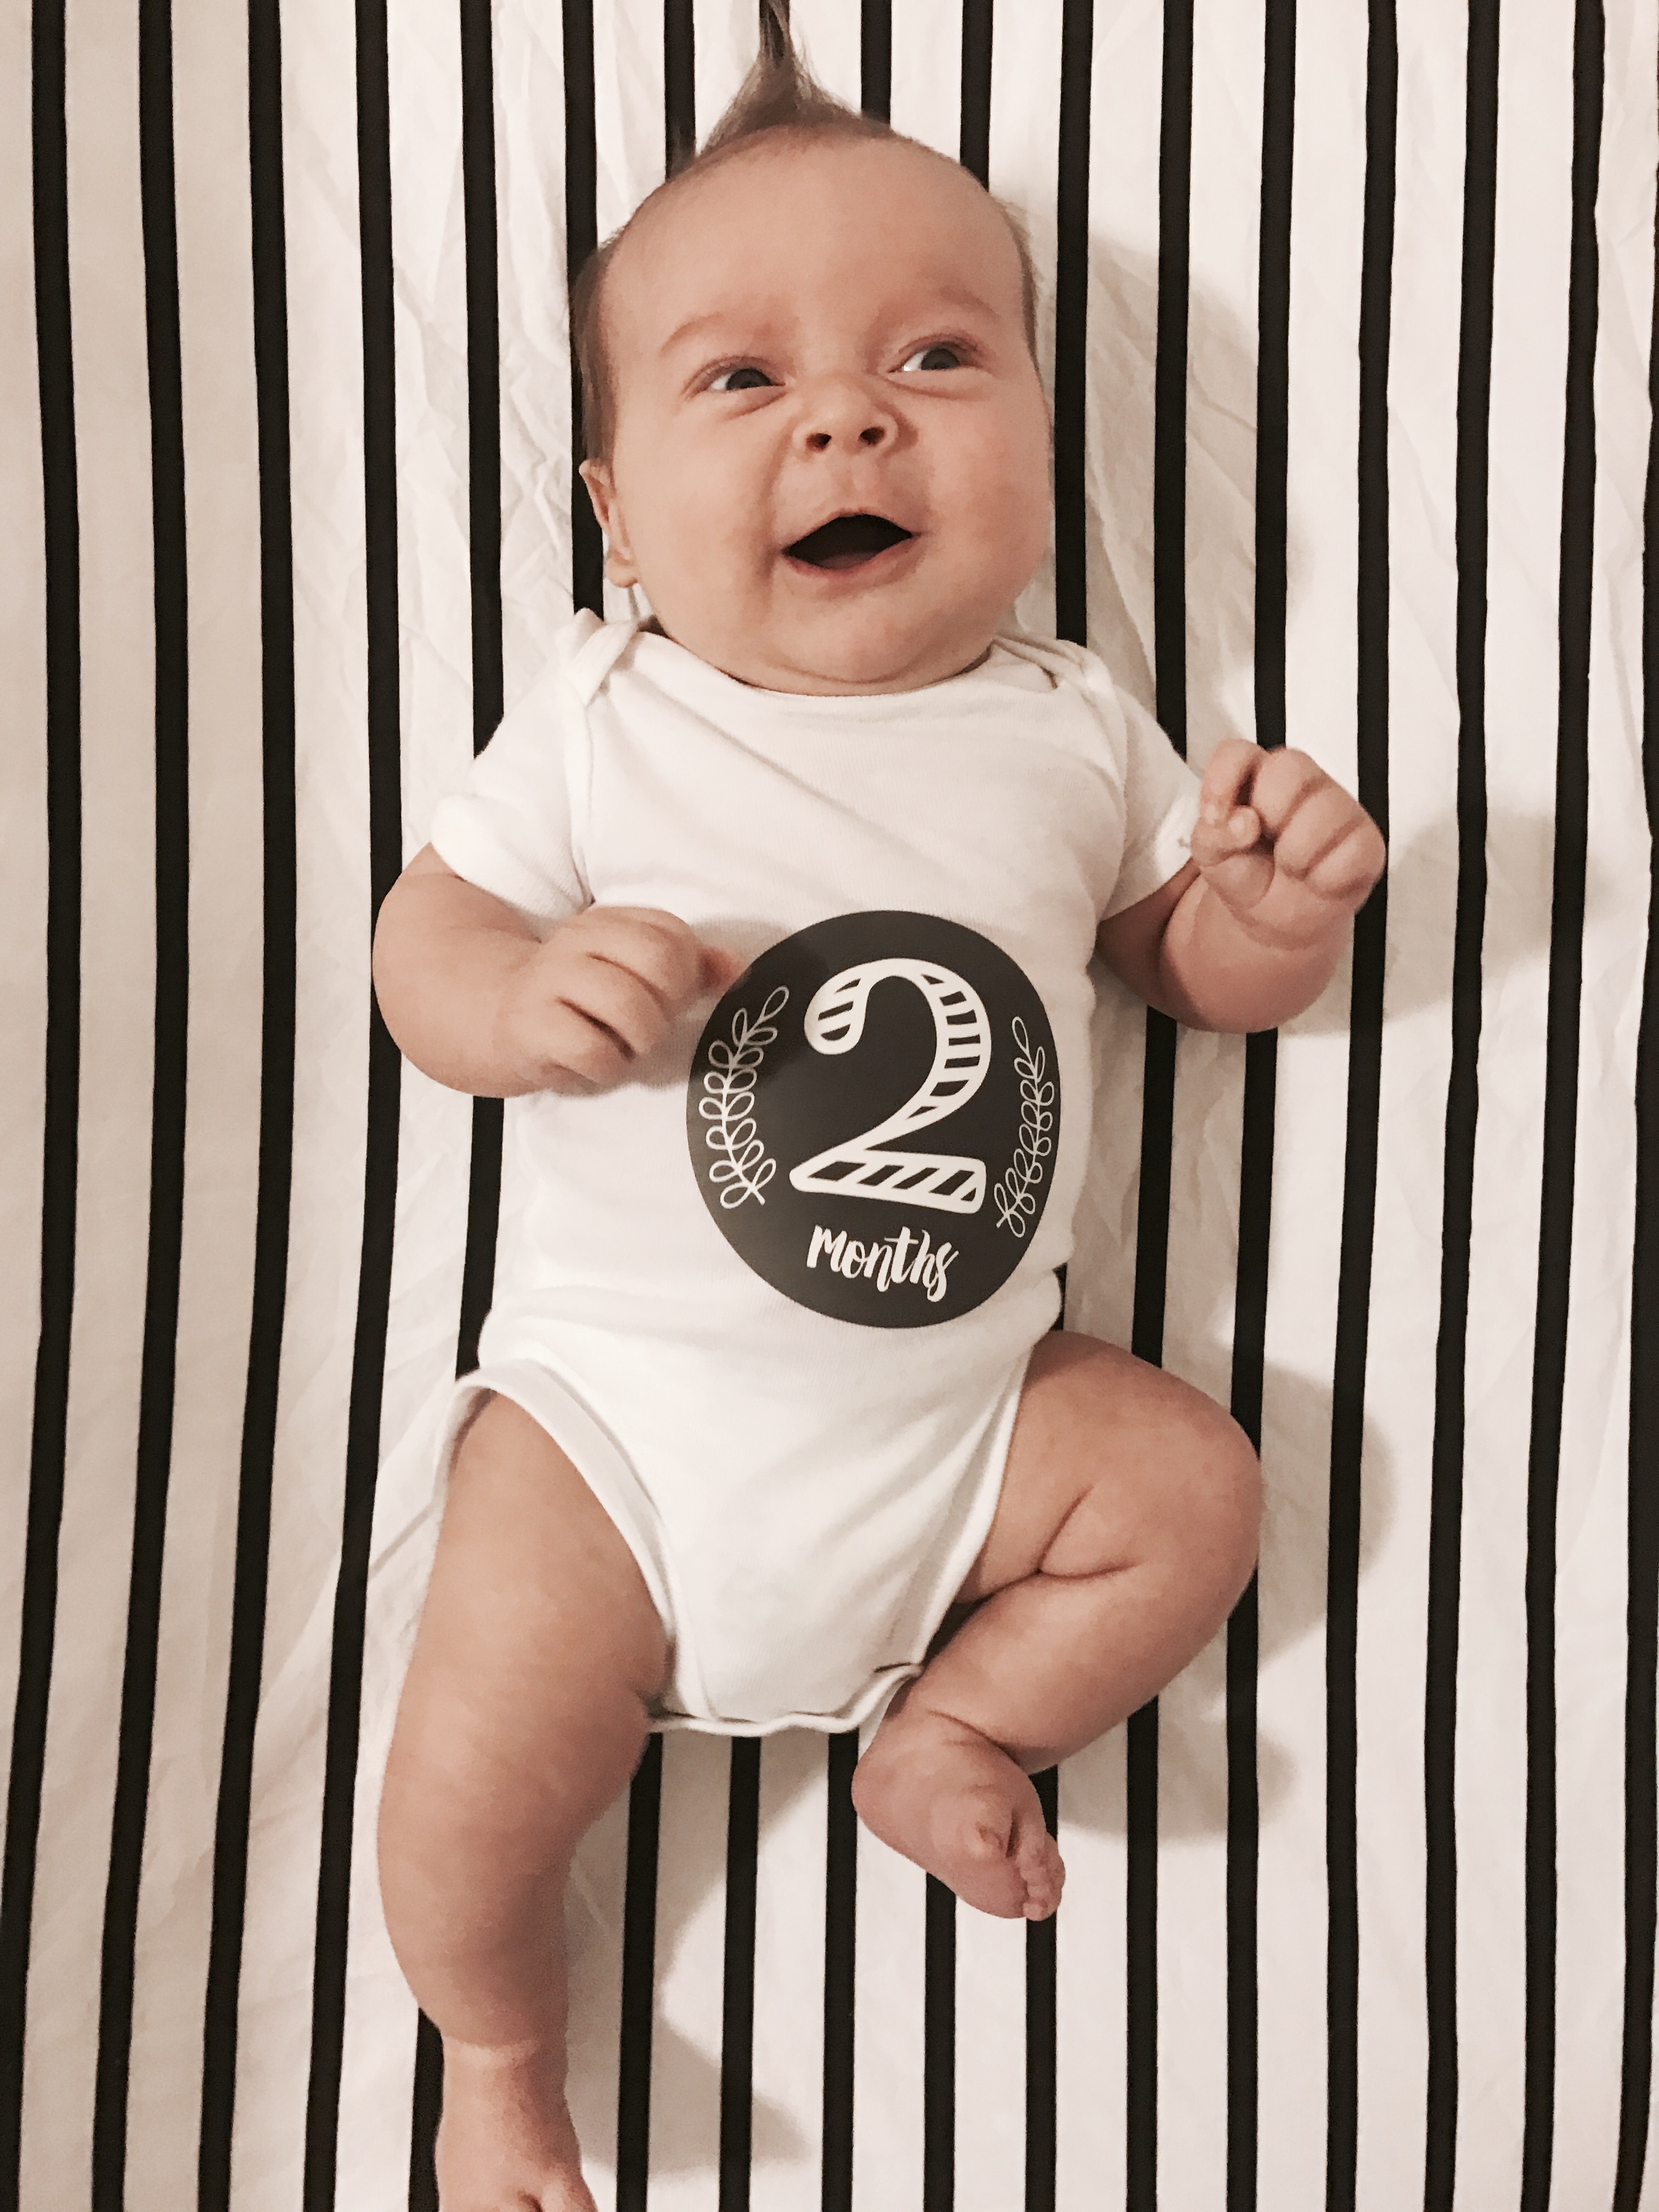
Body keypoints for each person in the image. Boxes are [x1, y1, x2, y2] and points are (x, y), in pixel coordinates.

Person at [369, 22, 1385, 2211]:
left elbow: (1181, 969)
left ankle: (967, 1720)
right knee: (459, 1797)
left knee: (1196, 1487)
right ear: (616, 513)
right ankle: (501, 2059)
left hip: (970, 1447)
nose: (848, 416)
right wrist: (512, 997)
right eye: (743, 379)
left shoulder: (1078, 730)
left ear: (1045, 444)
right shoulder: (605, 716)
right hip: (618, 1453)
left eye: (937, 357)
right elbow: (417, 936)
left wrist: (1272, 914)